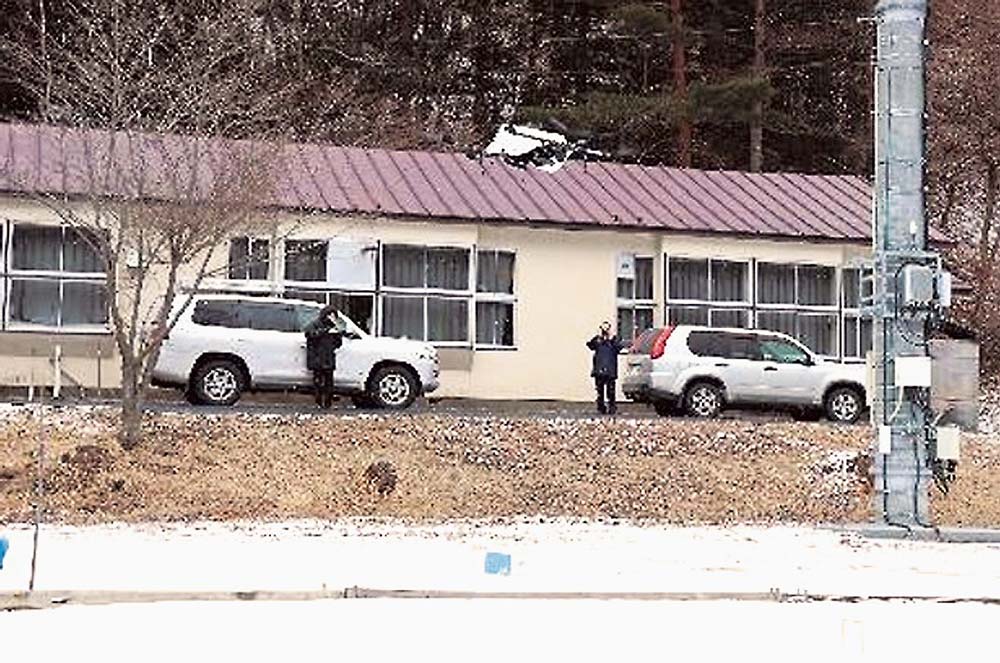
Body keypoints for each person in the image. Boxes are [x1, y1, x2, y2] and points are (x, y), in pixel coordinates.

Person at [304, 304, 343, 409]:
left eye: (333, 315)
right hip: (317, 357)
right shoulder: (316, 324)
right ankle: (318, 401)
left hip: (328, 357)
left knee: (329, 382)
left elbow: (338, 343)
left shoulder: (335, 326)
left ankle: (328, 403)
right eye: (330, 314)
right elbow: (309, 334)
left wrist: (337, 333)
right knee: (318, 381)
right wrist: (325, 331)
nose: (331, 317)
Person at [587, 321, 628, 415]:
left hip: (610, 370)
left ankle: (611, 407)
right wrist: (597, 337)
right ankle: (601, 407)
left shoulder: (613, 341)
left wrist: (612, 338)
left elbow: (619, 347)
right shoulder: (598, 341)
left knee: (611, 391)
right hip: (599, 370)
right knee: (600, 391)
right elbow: (590, 345)